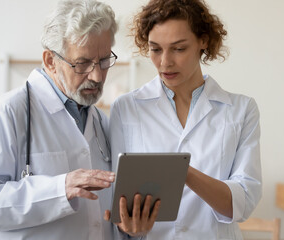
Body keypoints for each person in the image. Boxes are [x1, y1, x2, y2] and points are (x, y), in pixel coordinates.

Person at [0, 0, 158, 239]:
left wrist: (130, 230)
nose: (97, 75)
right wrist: (60, 188)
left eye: (103, 61)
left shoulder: (100, 120)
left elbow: (103, 219)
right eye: (83, 63)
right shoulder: (8, 113)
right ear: (50, 61)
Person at [109, 0, 262, 239]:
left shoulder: (240, 110)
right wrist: (127, 226)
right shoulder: (126, 108)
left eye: (179, 49)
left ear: (203, 41)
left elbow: (242, 203)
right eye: (155, 49)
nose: (165, 62)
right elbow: (117, 198)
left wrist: (180, 170)